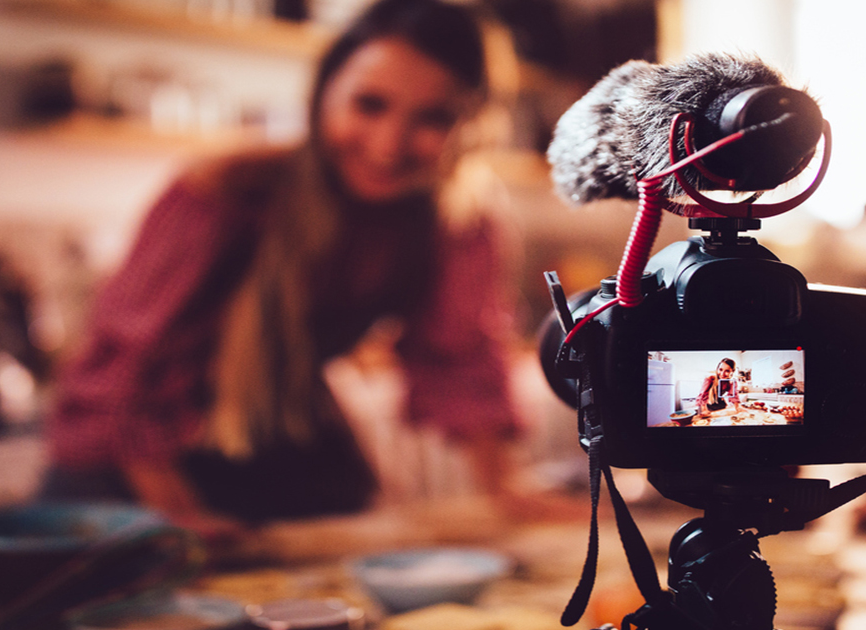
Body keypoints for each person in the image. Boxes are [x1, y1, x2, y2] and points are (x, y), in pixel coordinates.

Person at [41, 0, 526, 538]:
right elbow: (128, 373)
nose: (390, 144)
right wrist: (177, 520)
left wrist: (506, 497)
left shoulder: (457, 222)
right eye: (369, 105)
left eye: (434, 117)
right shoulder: (225, 193)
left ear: (473, 126)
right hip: (131, 465)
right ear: (323, 94)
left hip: (284, 435)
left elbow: (461, 361)